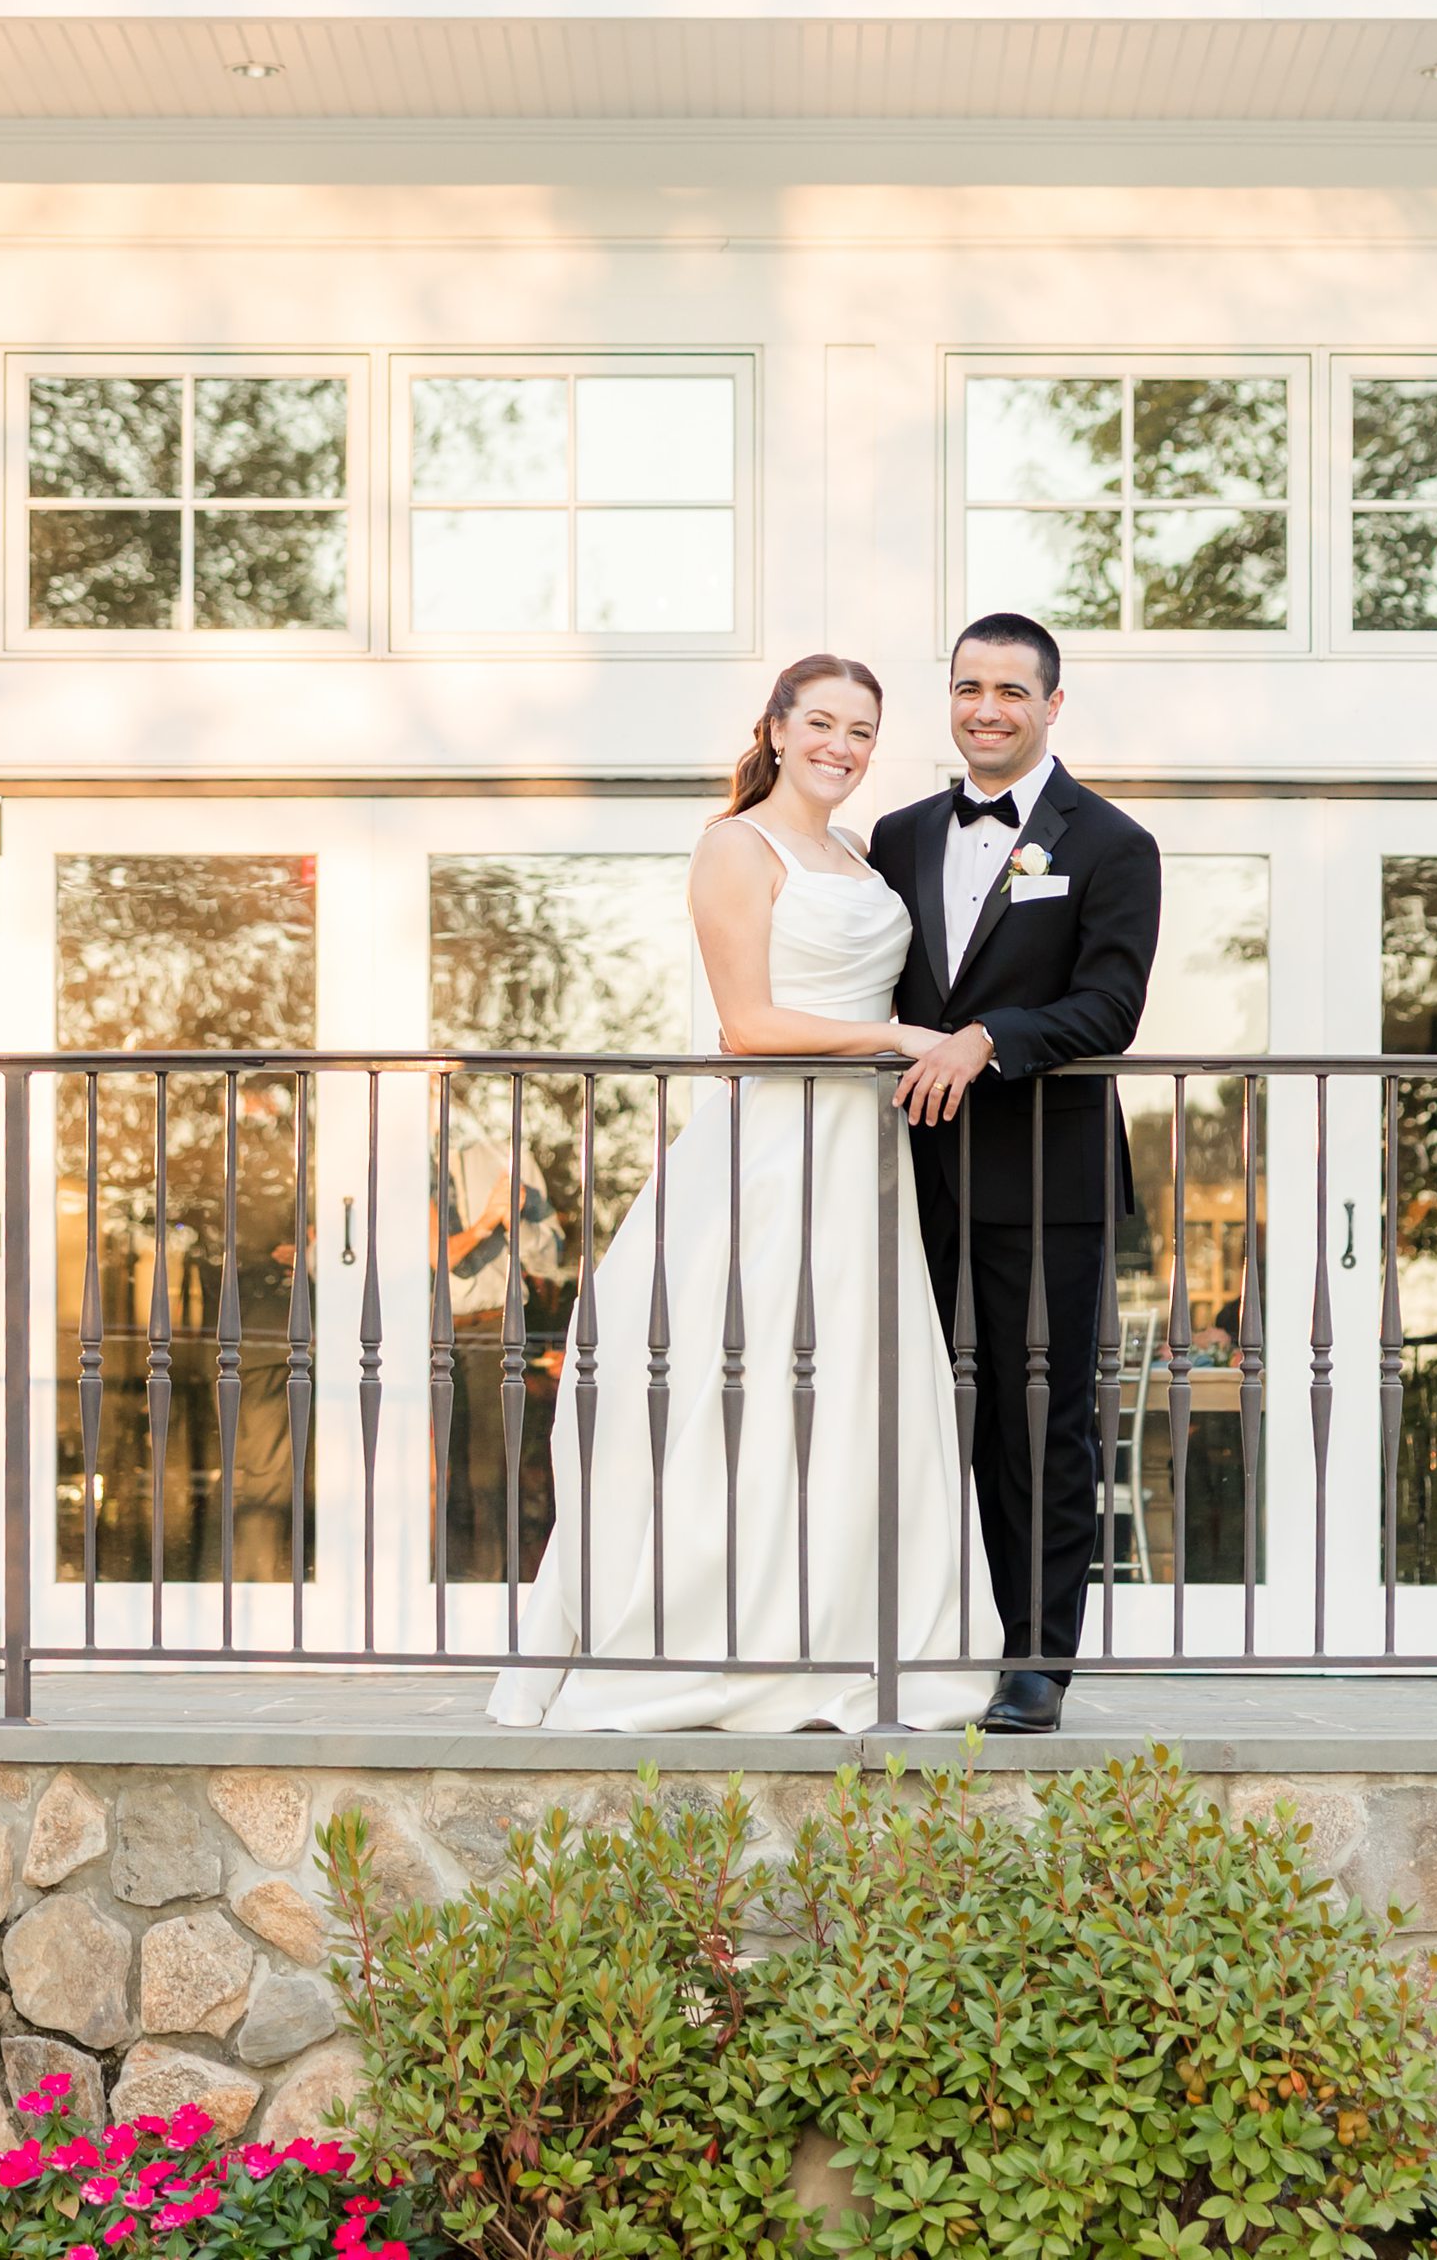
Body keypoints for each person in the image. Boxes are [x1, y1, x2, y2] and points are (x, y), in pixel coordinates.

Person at [488, 656, 997, 1733]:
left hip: (865, 1154)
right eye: (821, 722)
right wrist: (899, 1036)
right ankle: (727, 1634)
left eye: (862, 730)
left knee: (854, 1388)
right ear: (773, 726)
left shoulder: (860, 855)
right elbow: (748, 1026)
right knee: (756, 1376)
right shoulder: (735, 846)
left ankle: (843, 1631)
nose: (842, 747)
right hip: (769, 1148)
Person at [868, 614, 1162, 1735]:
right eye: (966, 687)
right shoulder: (894, 837)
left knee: (1039, 1418)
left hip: (1046, 1171)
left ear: (1052, 704)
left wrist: (988, 1038)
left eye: (1009, 689)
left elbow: (1112, 1006)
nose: (986, 707)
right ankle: (901, 1639)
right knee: (893, 1403)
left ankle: (1036, 1660)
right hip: (903, 1168)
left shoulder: (1113, 843)